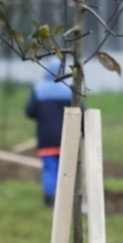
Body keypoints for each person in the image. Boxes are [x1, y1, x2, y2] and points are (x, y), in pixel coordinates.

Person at [25, 62, 74, 207]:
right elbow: (81, 112)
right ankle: (65, 199)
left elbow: (29, 111)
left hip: (46, 139)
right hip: (67, 138)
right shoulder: (70, 91)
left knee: (50, 168)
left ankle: (49, 199)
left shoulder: (39, 90)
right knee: (65, 168)